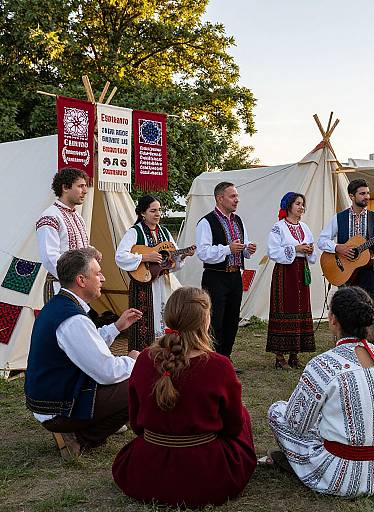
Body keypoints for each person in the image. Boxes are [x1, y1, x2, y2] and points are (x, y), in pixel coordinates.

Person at [268, 286, 374, 498]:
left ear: (333, 319)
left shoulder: (322, 365)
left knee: (277, 411)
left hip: (340, 476)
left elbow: (296, 423)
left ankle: (299, 462)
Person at [112, 287, 257, 508]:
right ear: (206, 319)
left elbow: (136, 422)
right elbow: (233, 426)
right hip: (206, 475)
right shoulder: (218, 366)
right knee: (243, 414)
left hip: (145, 472)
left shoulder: (144, 360)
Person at [24, 248, 143, 460]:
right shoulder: (72, 318)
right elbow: (106, 371)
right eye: (97, 273)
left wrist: (116, 327)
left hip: (49, 397)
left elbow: (87, 343)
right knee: (140, 383)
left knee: (128, 377)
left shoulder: (61, 305)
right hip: (57, 407)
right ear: (81, 280)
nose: (103, 278)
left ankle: (88, 427)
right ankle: (80, 438)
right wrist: (134, 362)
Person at [317, 178, 374, 340]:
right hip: (344, 272)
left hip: (368, 273)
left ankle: (369, 345)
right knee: (345, 309)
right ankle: (344, 343)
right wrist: (337, 247)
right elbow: (321, 240)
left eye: (367, 193)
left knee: (369, 309)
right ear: (352, 196)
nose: (366, 196)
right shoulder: (339, 218)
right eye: (362, 194)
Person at [116, 195, 194, 351]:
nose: (157, 214)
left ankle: (164, 355)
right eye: (153, 211)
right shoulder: (134, 232)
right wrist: (145, 256)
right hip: (143, 286)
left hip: (162, 284)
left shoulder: (164, 232)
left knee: (164, 320)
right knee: (142, 324)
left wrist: (183, 255)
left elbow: (170, 262)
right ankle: (141, 358)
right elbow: (120, 256)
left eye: (159, 210)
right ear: (143, 213)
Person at [196, 182, 256, 370]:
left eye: (237, 196)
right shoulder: (206, 222)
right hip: (215, 277)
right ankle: (210, 361)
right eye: (232, 196)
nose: (237, 200)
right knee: (214, 320)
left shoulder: (238, 221)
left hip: (234, 276)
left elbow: (242, 247)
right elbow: (203, 252)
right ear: (220, 198)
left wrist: (248, 249)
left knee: (232, 319)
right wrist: (227, 249)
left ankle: (225, 359)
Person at [266, 192, 316, 370]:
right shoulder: (278, 227)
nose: (301, 207)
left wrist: (309, 249)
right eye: (298, 204)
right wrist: (295, 248)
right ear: (289, 206)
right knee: (285, 307)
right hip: (285, 272)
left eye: (303, 204)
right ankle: (280, 357)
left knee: (300, 307)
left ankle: (295, 354)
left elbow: (310, 246)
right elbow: (273, 251)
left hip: (301, 271)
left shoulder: (305, 227)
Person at [36, 167, 90, 302]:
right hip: (60, 287)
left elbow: (78, 247)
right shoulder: (50, 216)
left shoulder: (77, 217)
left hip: (78, 286)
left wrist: (92, 252)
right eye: (80, 186)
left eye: (85, 186)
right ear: (65, 187)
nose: (85, 191)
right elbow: (50, 257)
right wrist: (72, 281)